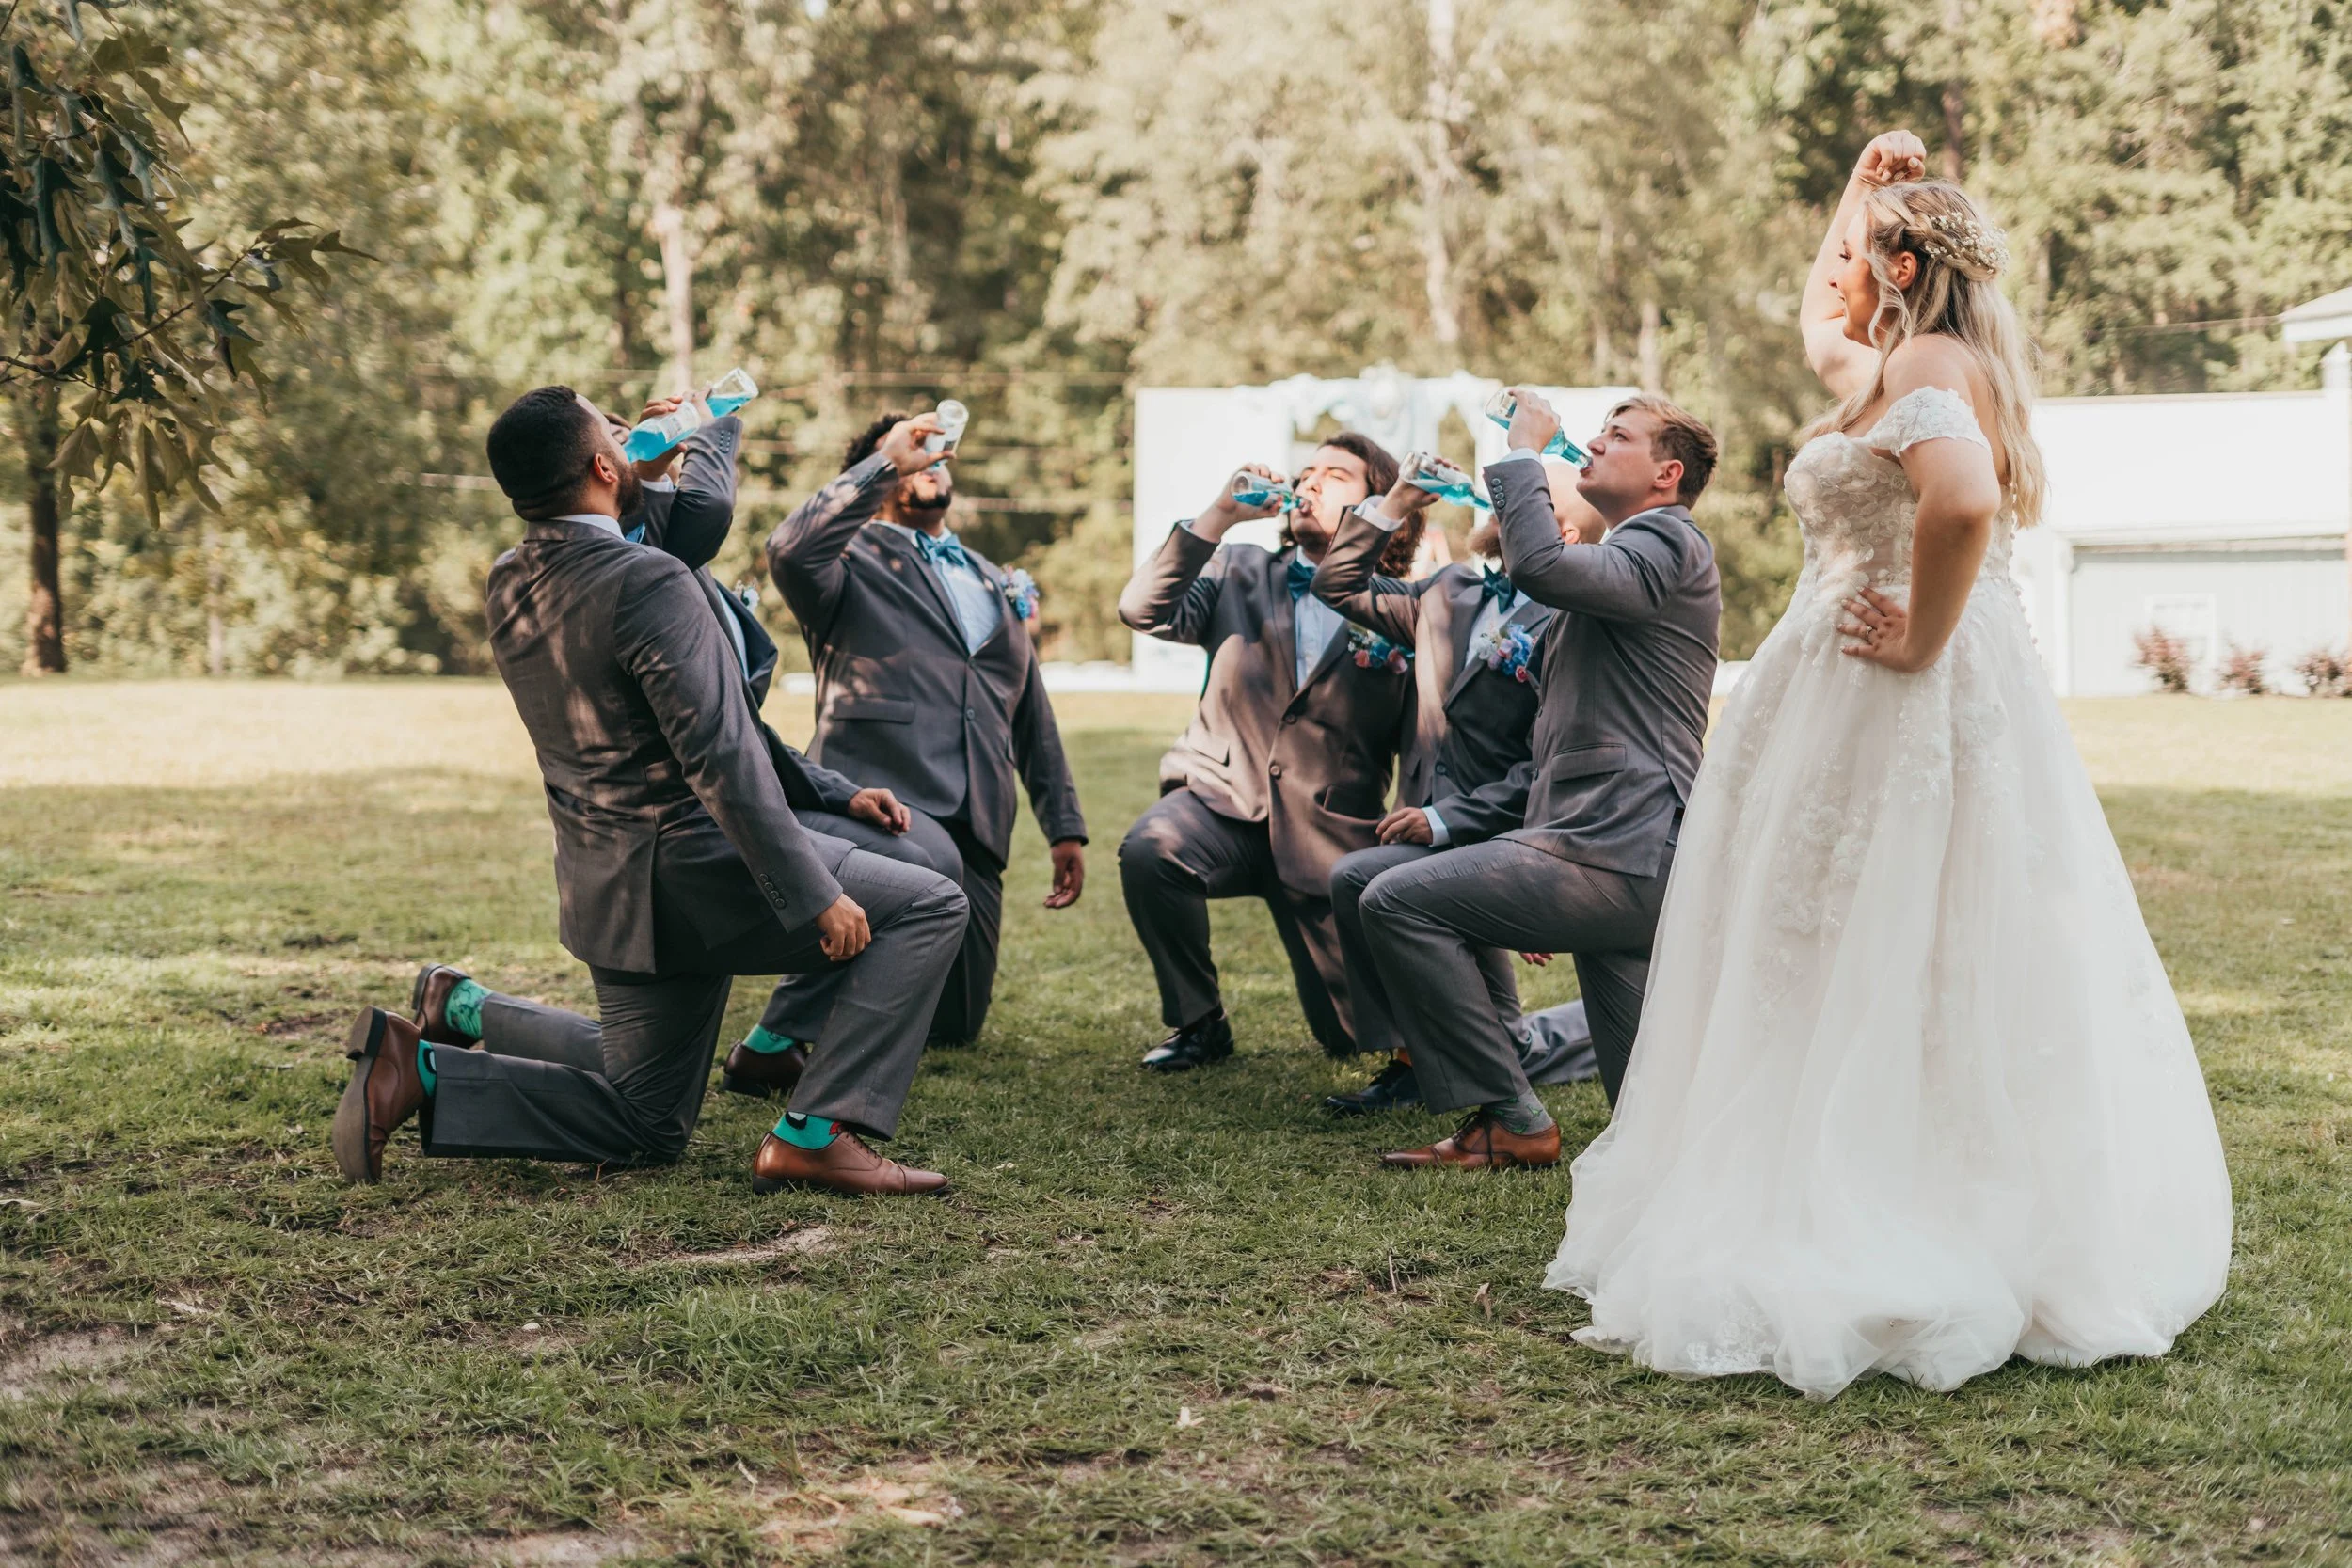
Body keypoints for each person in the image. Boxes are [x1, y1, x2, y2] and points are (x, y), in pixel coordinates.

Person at [1547, 131, 2232, 1398]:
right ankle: (1834, 1150)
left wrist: (1918, 633)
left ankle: (1891, 1195)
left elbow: (1961, 504)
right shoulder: (1895, 356)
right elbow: (1816, 321)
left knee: (1878, 917)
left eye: (1862, 258)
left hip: (1892, 683)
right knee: (1849, 922)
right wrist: (1856, 196)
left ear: (1906, 269)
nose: (1840, 280)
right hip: (1841, 679)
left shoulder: (1923, 359)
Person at [330, 387, 968, 1196]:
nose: (633, 441)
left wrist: (654, 474)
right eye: (615, 433)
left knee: (647, 1119)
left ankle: (431, 1059)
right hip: (703, 873)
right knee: (929, 903)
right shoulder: (648, 580)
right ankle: (816, 1130)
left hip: (611, 889)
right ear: (603, 465)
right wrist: (813, 896)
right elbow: (722, 757)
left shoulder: (509, 578)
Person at [1358, 393, 1722, 1165]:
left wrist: (1523, 449)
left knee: (1396, 899)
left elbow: (1542, 564)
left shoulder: (1668, 537)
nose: (1591, 443)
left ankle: (1516, 1119)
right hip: (1613, 848)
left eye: (1616, 435)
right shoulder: (1633, 553)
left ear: (1668, 473)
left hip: (1616, 847)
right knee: (1649, 1120)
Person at [764, 409, 1088, 1053]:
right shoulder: (844, 561)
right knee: (928, 866)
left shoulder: (997, 578)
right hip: (878, 798)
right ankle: (776, 1039)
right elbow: (789, 549)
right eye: (914, 453)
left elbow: (1031, 706)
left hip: (978, 816)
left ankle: (858, 1012)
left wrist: (1064, 824)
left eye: (938, 451)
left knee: (955, 1025)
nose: (931, 459)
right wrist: (887, 459)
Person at [1116, 436, 1419, 1069]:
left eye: (1335, 475)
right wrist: (1220, 515)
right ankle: (1199, 1021)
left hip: (1330, 839)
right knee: (1151, 849)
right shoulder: (1239, 569)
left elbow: (1425, 743)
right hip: (1220, 805)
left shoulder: (1407, 609)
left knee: (1348, 1039)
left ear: (1381, 503)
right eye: (1307, 472)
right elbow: (1141, 608)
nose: (1309, 483)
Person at [1313, 456, 1601, 1113]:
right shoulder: (1447, 589)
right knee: (1509, 1042)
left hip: (1491, 837)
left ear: (1561, 531)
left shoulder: (1571, 622)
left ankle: (1422, 1061)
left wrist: (1446, 822)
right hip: (1423, 829)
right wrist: (1397, 498)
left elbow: (1547, 764)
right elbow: (1336, 583)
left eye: (1515, 497)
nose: (1494, 503)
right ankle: (1427, 1055)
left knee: (1359, 877)